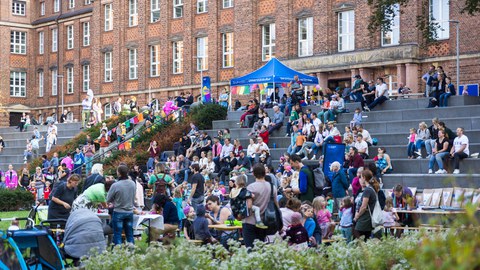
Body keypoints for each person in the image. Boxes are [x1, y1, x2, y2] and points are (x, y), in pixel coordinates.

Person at [242, 164, 274, 248]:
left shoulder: (251, 187)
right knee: (260, 249)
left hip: (250, 221)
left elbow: (248, 206)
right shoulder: (272, 187)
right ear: (264, 173)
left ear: (253, 174)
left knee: (250, 249)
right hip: (265, 221)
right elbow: (276, 205)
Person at [107, 165, 136, 245]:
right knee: (129, 234)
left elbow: (108, 199)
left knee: (117, 234)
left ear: (118, 173)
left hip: (119, 211)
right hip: (129, 211)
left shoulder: (115, 185)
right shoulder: (132, 184)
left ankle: (119, 253)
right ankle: (131, 251)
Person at [353, 169, 378, 241]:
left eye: (360, 177)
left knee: (357, 236)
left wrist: (356, 217)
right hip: (367, 218)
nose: (360, 179)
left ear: (364, 178)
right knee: (366, 239)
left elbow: (364, 206)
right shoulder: (371, 188)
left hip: (364, 219)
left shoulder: (367, 190)